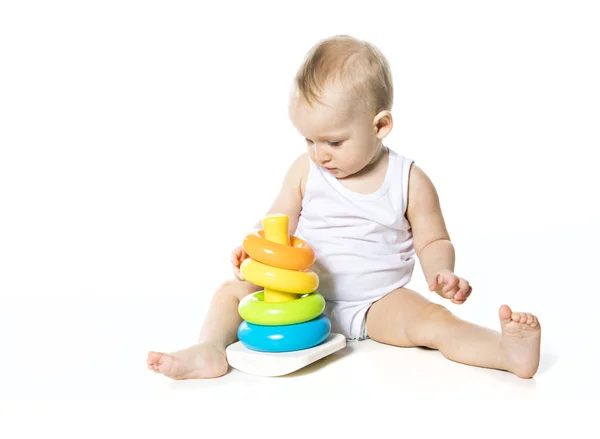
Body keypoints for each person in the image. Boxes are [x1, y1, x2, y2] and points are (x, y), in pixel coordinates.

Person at [147, 35, 541, 379]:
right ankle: (211, 350)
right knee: (230, 293)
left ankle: (508, 353)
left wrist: (441, 271)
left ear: (379, 126)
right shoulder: (305, 171)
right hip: (301, 299)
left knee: (433, 323)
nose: (320, 154)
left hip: (377, 302)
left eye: (334, 142)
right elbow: (275, 223)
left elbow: (433, 238)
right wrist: (253, 253)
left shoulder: (408, 181)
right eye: (309, 140)